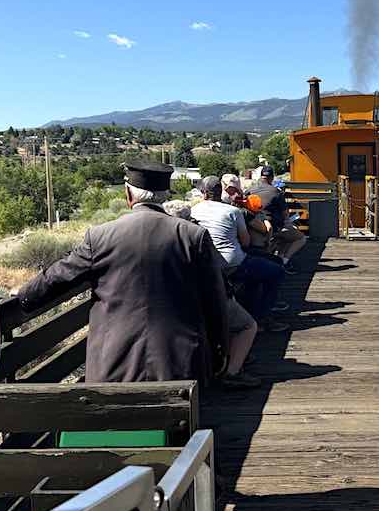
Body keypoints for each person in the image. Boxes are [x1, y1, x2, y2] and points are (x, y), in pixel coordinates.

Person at [16, 162, 229, 384]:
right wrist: (220, 350)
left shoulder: (99, 237)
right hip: (180, 364)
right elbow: (214, 299)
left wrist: (25, 297)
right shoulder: (193, 236)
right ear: (165, 194)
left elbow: (59, 275)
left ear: (128, 194)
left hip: (113, 368)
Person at [165, 196, 260, 386]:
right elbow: (214, 274)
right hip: (203, 300)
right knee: (247, 325)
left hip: (170, 305)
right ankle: (232, 372)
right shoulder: (196, 237)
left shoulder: (162, 240)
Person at [191, 176, 287, 332]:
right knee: (277, 271)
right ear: (220, 191)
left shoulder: (194, 209)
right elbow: (246, 242)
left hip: (207, 264)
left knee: (256, 272)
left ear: (203, 193)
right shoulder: (232, 211)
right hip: (232, 263)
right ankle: (263, 319)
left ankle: (252, 311)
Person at [246, 166, 306, 274]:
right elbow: (285, 214)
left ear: (261, 176)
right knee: (300, 238)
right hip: (273, 228)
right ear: (272, 177)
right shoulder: (276, 191)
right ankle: (283, 262)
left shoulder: (249, 190)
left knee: (283, 236)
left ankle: (277, 258)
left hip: (254, 228)